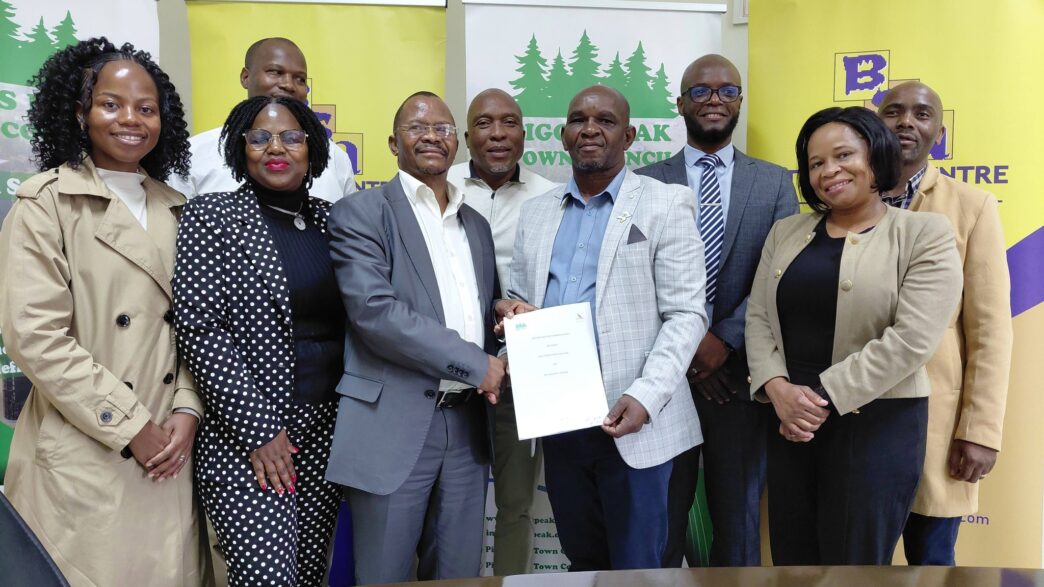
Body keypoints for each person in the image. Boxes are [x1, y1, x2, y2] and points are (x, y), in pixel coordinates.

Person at [0, 37, 206, 586]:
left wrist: (187, 407)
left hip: (171, 450)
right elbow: (34, 338)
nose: (130, 120)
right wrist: (132, 426)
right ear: (79, 112)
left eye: (146, 108)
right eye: (111, 104)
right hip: (89, 450)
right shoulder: (45, 203)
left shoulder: (179, 209)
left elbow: (198, 326)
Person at [745, 106, 962, 565]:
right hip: (790, 424)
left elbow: (912, 339)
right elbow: (759, 316)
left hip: (876, 427)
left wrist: (814, 400)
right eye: (816, 163)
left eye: (844, 155)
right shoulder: (787, 231)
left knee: (855, 566)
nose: (830, 171)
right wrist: (777, 388)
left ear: (875, 156)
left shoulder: (924, 233)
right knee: (793, 561)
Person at [503, 85, 707, 571]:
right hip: (561, 421)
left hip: (635, 420)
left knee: (638, 568)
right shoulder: (536, 213)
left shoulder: (666, 203)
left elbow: (687, 315)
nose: (590, 129)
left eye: (606, 120)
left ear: (630, 135)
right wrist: (513, 323)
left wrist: (645, 395)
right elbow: (520, 303)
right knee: (584, 561)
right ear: (563, 134)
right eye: (578, 119)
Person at [324, 91, 504, 585]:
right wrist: (477, 364)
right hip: (393, 425)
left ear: (457, 142)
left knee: (459, 574)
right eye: (417, 128)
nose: (431, 136)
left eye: (443, 128)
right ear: (392, 142)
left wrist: (502, 310)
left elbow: (468, 305)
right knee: (384, 574)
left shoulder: (477, 225)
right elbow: (376, 315)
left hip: (467, 427)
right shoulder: (359, 213)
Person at [636, 54, 798, 568]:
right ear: (679, 103)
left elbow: (780, 275)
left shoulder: (773, 183)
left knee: (739, 522)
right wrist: (688, 348)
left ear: (740, 102)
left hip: (740, 379)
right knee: (662, 521)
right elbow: (633, 280)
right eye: (701, 91)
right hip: (661, 379)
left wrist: (722, 341)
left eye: (727, 91)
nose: (714, 100)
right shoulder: (642, 182)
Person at [174, 95, 343, 586]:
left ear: (312, 149)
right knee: (266, 579)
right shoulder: (211, 218)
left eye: (292, 137)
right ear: (239, 148)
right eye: (260, 137)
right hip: (247, 439)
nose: (277, 148)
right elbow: (200, 330)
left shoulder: (333, 222)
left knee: (310, 574)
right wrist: (260, 431)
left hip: (327, 430)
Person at [876, 81, 1012, 566]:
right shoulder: (844, 200)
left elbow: (991, 330)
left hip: (936, 427)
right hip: (856, 425)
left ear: (939, 130)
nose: (906, 122)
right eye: (893, 111)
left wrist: (980, 430)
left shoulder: (971, 207)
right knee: (853, 566)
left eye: (921, 113)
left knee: (933, 564)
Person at [446, 88, 557, 576]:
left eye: (509, 122)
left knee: (515, 503)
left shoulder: (550, 196)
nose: (497, 134)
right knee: (448, 505)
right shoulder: (437, 188)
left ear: (524, 135)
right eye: (485, 123)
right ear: (466, 135)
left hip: (519, 375)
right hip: (446, 374)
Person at [168, 37, 356, 202]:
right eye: (275, 72)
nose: (288, 85)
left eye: (300, 79)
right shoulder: (194, 153)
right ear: (245, 77)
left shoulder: (334, 155)